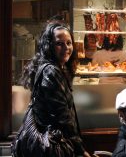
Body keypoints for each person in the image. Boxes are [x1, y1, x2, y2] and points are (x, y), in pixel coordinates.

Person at [12, 22, 90, 157]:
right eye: (59, 43)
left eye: (69, 43)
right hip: (51, 146)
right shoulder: (51, 71)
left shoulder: (55, 68)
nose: (66, 48)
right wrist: (80, 149)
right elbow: (62, 117)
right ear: (49, 46)